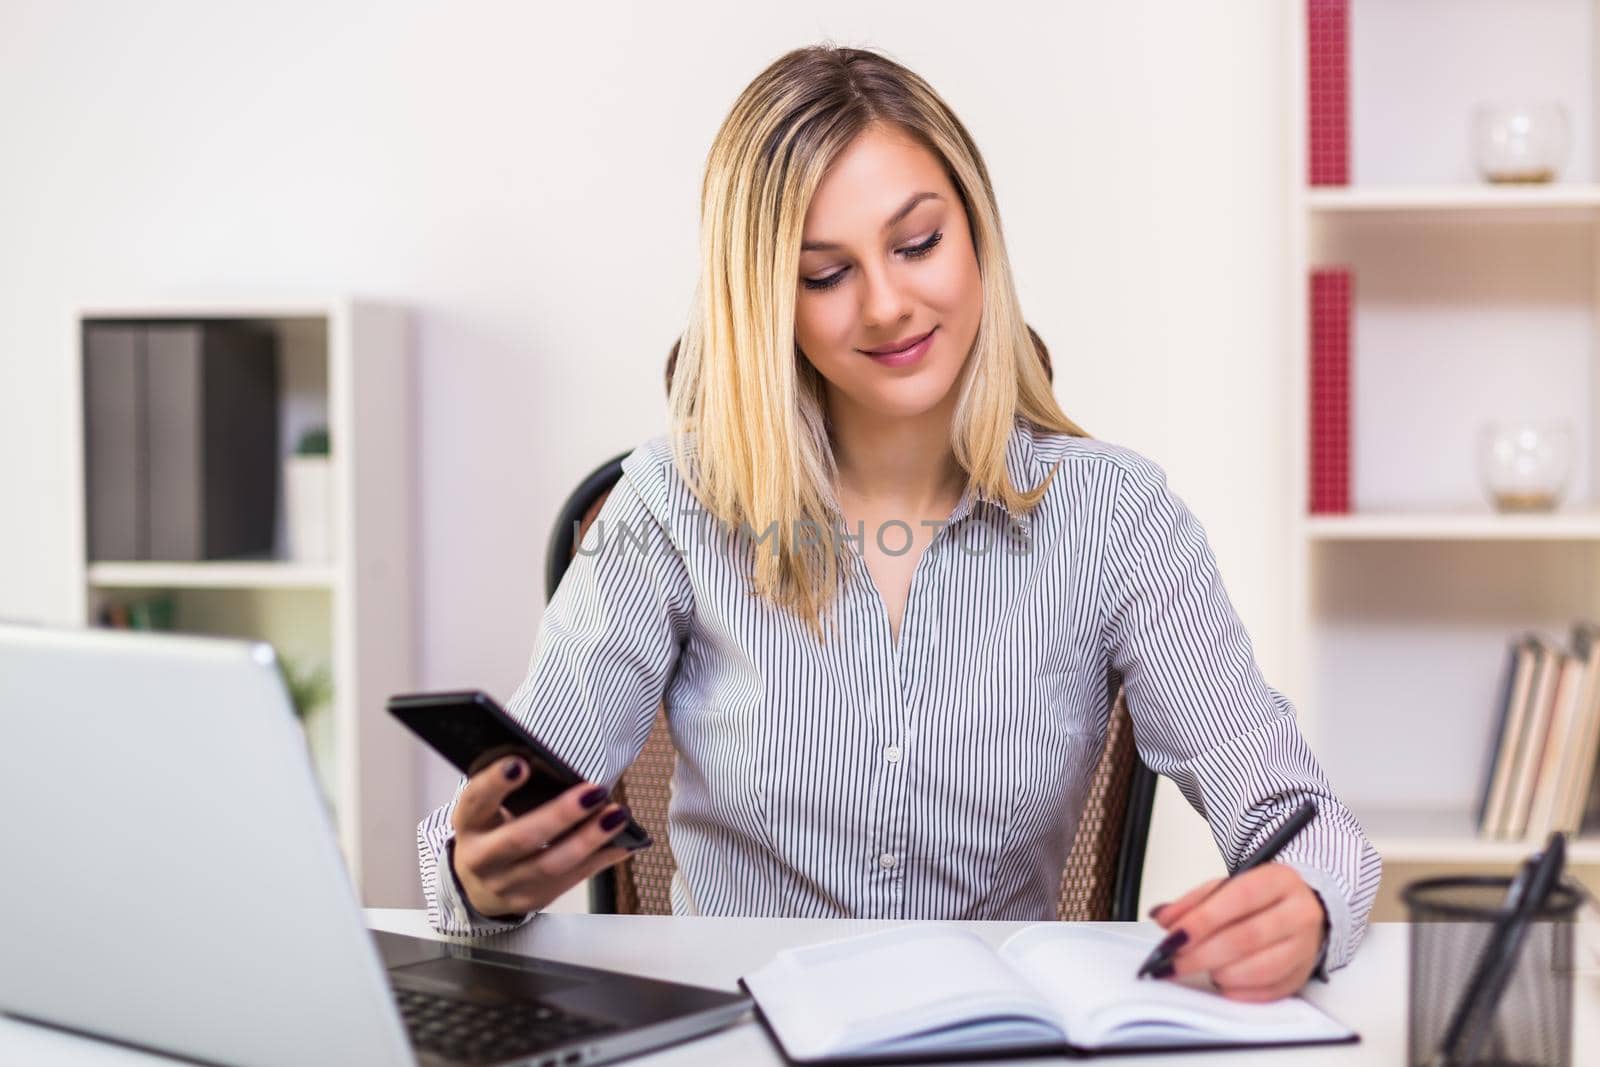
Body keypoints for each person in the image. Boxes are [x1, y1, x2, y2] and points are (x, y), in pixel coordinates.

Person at [418, 43, 1381, 1003]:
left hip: (989, 1034)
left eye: (917, 244)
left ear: (977, 236)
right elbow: (510, 813)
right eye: (824, 273)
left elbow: (1301, 824)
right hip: (736, 1031)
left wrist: (1303, 900)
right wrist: (479, 870)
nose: (887, 304)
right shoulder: (672, 507)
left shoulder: (1117, 519)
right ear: (765, 304)